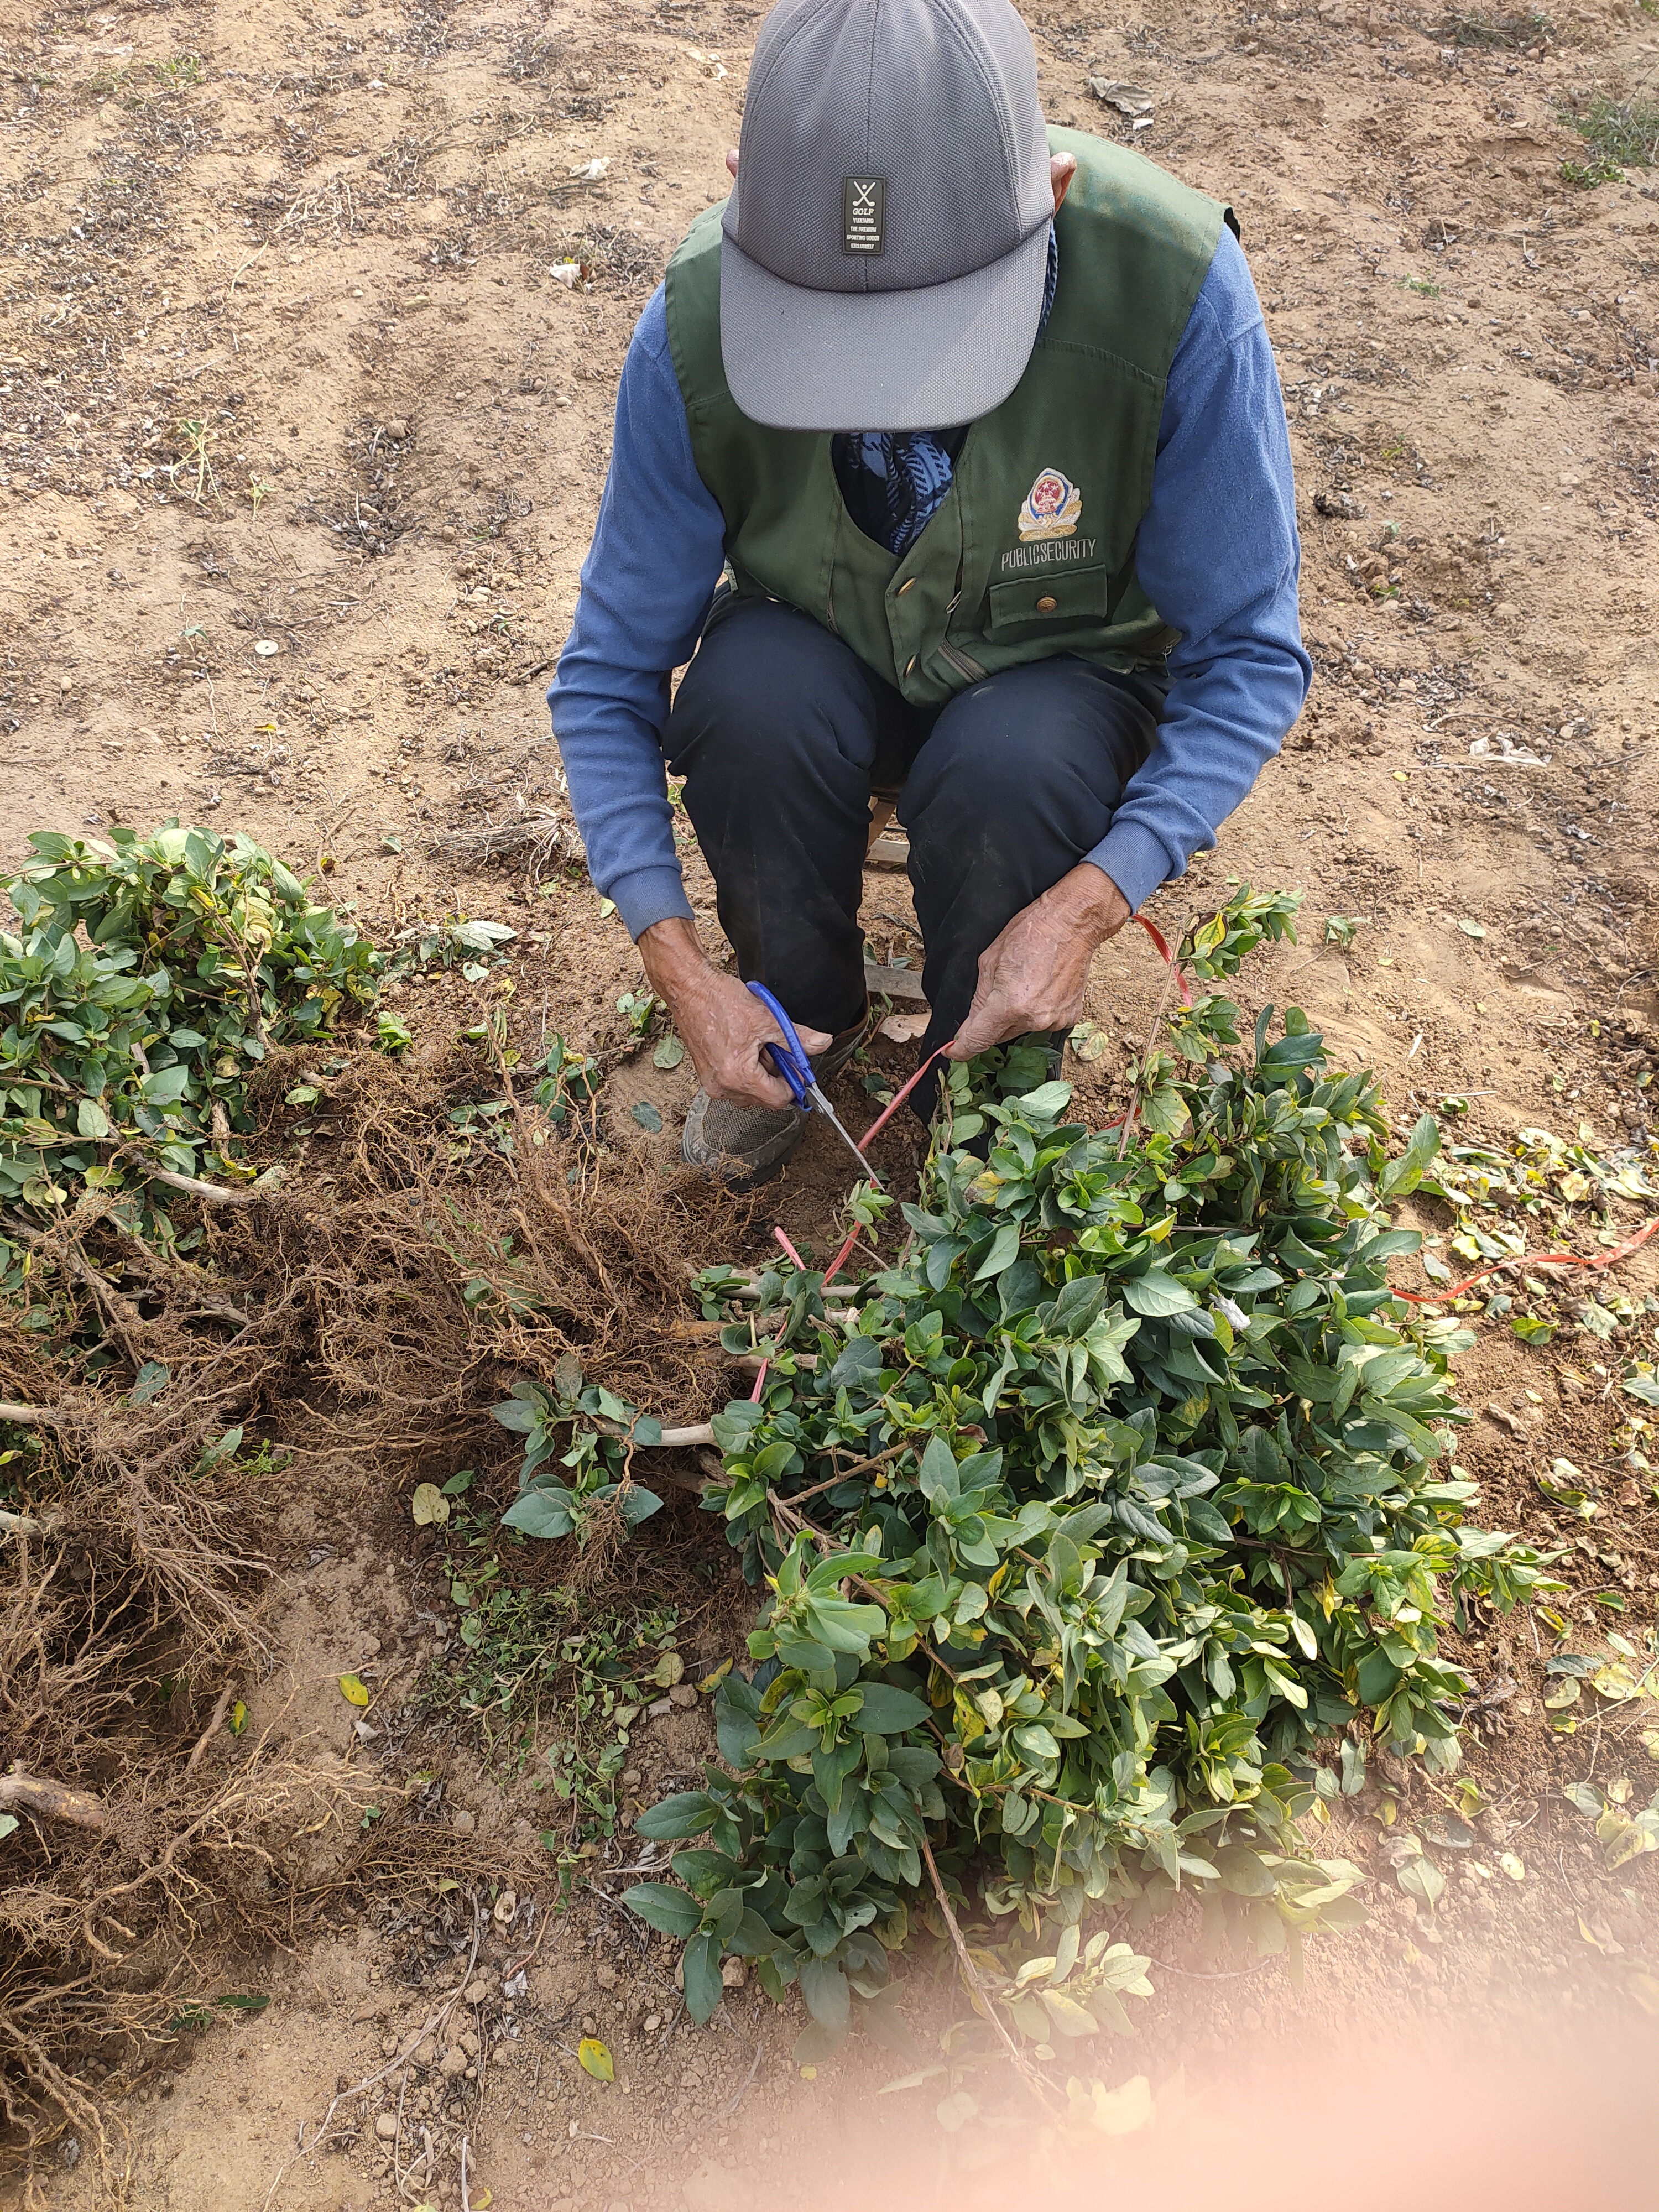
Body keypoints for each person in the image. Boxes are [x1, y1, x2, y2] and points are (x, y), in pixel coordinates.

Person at [551, 0, 1310, 1186]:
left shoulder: (1177, 291)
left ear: (1051, 192)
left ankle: (989, 1085)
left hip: (1063, 667)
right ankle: (796, 1026)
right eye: (835, 331)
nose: (891, 388)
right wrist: (678, 969)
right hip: (821, 634)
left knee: (1010, 769)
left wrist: (1087, 910)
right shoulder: (695, 319)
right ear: (745, 185)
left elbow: (1250, 654)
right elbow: (607, 674)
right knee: (750, 708)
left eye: (938, 331)